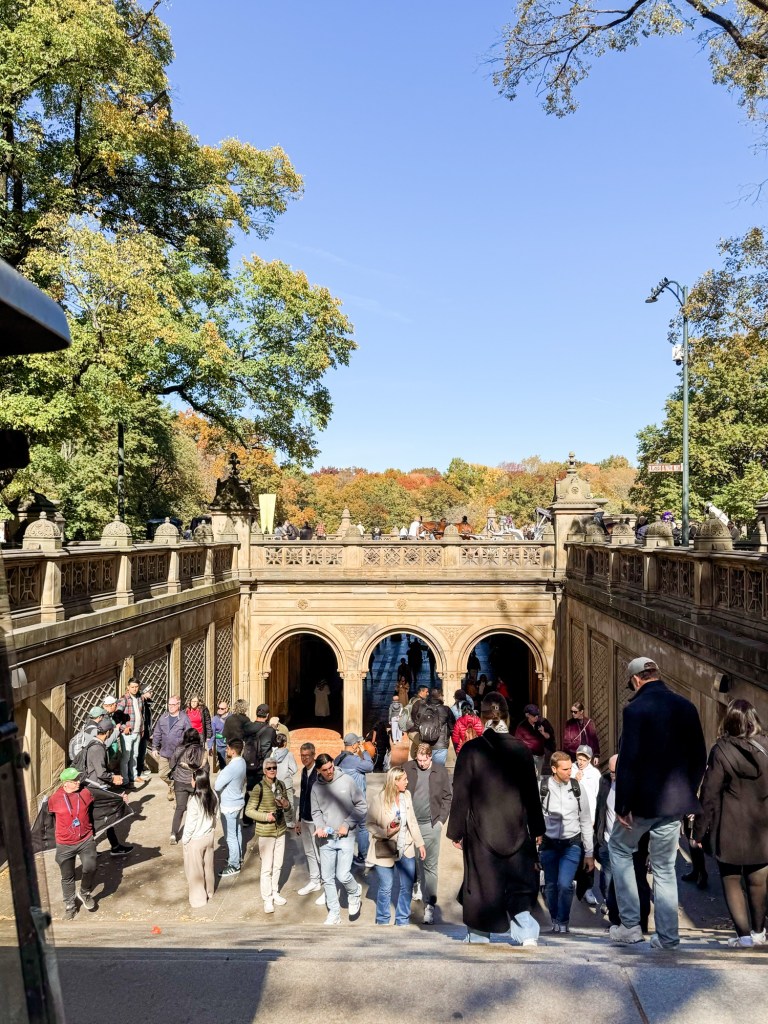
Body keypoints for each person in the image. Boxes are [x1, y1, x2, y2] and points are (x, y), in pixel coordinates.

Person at [609, 656, 706, 949]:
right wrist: (687, 792)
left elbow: (628, 760)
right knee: (664, 868)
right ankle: (667, 937)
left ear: (636, 679)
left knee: (619, 848)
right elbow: (699, 756)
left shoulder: (635, 710)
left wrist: (622, 805)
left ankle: (630, 925)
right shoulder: (686, 706)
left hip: (641, 804)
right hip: (673, 805)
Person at [447, 692, 545, 945]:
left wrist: (456, 830)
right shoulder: (521, 750)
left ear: (481, 718)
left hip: (481, 831)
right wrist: (537, 828)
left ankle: (479, 937)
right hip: (516, 829)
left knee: (483, 885)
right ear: (507, 717)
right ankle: (527, 933)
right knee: (518, 884)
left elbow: (461, 793)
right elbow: (531, 794)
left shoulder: (471, 750)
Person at [693, 698, 768, 947]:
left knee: (731, 881)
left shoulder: (721, 750)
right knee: (758, 882)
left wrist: (698, 832)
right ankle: (759, 933)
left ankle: (744, 936)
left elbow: (709, 795)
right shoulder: (766, 748)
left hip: (729, 830)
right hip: (761, 829)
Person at [540, 750, 595, 933]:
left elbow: (585, 820)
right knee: (550, 885)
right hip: (549, 844)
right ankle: (555, 918)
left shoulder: (578, 788)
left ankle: (563, 921)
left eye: (570, 768)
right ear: (554, 769)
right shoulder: (543, 788)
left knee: (565, 884)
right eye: (565, 769)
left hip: (572, 843)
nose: (569, 772)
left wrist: (589, 853)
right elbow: (534, 819)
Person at [311, 752, 366, 925]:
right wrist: (320, 826)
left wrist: (347, 824)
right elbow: (316, 812)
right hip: (326, 839)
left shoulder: (347, 781)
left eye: (331, 767)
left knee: (342, 875)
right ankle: (334, 914)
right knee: (327, 878)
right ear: (318, 770)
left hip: (346, 837)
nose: (329, 772)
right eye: (325, 770)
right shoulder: (316, 787)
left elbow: (362, 805)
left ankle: (354, 892)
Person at [367, 767, 426, 926]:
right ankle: (383, 921)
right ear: (395, 781)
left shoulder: (406, 795)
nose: (407, 782)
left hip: (406, 847)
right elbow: (369, 824)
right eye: (404, 779)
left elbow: (412, 821)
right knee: (386, 887)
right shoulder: (379, 799)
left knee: (407, 887)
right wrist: (385, 832)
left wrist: (420, 843)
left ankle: (402, 920)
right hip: (385, 847)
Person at [404, 743, 452, 924]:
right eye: (419, 760)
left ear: (431, 757)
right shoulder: (408, 767)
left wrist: (440, 821)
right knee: (412, 861)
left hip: (430, 825)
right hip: (410, 825)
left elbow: (447, 797)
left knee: (430, 866)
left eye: (425, 760)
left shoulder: (440, 772)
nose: (422, 763)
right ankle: (416, 883)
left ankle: (430, 905)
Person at [47, 767, 98, 920]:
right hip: (65, 844)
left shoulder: (86, 793)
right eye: (74, 780)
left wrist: (120, 799)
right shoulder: (54, 799)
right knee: (67, 876)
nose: (78, 782)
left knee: (91, 866)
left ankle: (84, 892)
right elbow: (48, 820)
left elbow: (102, 801)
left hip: (85, 839)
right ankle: (70, 905)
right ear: (65, 784)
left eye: (78, 779)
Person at [246, 756, 291, 913]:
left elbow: (288, 807)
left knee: (278, 864)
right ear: (264, 771)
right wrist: (266, 817)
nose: (272, 770)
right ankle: (267, 899)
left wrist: (285, 804)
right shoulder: (258, 788)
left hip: (281, 830)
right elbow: (249, 811)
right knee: (267, 867)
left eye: (274, 767)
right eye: (269, 768)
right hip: (266, 832)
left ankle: (274, 891)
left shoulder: (281, 785)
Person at [83, 717, 133, 856]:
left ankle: (112, 846)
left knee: (104, 817)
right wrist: (113, 778)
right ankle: (93, 849)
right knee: (105, 817)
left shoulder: (93, 743)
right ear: (108, 732)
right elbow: (101, 773)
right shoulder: (97, 748)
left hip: (94, 785)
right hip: (97, 787)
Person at [334, 732, 374, 867]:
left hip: (342, 801)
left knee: (346, 827)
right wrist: (364, 751)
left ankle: (344, 856)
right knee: (362, 828)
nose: (359, 745)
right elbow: (370, 766)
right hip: (357, 802)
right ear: (353, 745)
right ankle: (363, 857)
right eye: (358, 743)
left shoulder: (337, 759)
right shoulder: (355, 761)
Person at [181, 767, 218, 908]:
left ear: (196, 781)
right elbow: (216, 816)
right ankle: (209, 891)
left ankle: (198, 899)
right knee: (208, 866)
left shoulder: (194, 801)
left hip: (196, 840)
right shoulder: (214, 795)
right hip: (209, 836)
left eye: (192, 779)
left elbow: (190, 825)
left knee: (195, 871)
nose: (191, 781)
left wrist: (185, 840)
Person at [295, 743, 326, 903]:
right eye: (302, 755)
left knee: (321, 854)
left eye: (307, 755)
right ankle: (315, 880)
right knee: (309, 852)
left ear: (314, 755)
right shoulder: (303, 772)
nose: (304, 758)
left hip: (317, 820)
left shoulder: (319, 773)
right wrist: (299, 818)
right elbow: (302, 795)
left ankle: (328, 887)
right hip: (305, 818)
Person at [215, 738, 247, 876]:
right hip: (238, 802)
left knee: (230, 837)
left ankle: (234, 864)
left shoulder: (230, 768)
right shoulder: (242, 762)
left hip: (229, 805)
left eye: (227, 748)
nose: (226, 750)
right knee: (237, 831)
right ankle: (238, 857)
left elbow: (217, 786)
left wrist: (221, 774)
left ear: (233, 751)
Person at [151, 695, 192, 800]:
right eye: (169, 704)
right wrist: (154, 747)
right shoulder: (163, 718)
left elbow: (189, 735)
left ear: (178, 705)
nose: (171, 707)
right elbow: (157, 733)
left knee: (178, 774)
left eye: (173, 704)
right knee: (162, 774)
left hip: (179, 753)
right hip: (165, 752)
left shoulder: (184, 718)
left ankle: (178, 798)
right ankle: (173, 785)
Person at [169, 726, 205, 844]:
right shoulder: (201, 750)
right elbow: (204, 768)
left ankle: (173, 834)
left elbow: (171, 765)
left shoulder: (179, 749)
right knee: (198, 808)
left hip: (179, 782)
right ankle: (196, 832)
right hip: (195, 782)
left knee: (180, 808)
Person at [592, 754, 618, 908]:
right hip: (607, 839)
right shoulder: (605, 780)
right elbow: (600, 808)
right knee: (607, 875)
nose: (612, 775)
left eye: (615, 772)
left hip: (626, 842)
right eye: (610, 771)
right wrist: (598, 835)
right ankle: (608, 902)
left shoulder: (632, 784)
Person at [116, 677, 145, 786]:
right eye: (132, 687)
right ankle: (125, 780)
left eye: (136, 687)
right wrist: (124, 728)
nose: (134, 689)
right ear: (128, 687)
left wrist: (142, 729)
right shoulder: (124, 699)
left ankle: (134, 776)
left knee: (135, 755)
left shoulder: (140, 697)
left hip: (137, 732)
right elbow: (117, 716)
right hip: (127, 733)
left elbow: (141, 714)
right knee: (126, 757)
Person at [412, 688, 452, 766]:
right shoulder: (445, 709)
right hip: (441, 745)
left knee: (425, 768)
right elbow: (452, 727)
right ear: (440, 696)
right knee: (438, 769)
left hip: (425, 744)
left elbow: (416, 725)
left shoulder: (422, 708)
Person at [514, 703, 555, 775]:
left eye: (537, 714)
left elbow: (550, 737)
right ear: (527, 715)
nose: (536, 717)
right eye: (534, 715)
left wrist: (543, 733)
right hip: (528, 756)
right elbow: (517, 742)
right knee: (530, 776)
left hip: (540, 755)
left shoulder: (542, 722)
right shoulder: (522, 726)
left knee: (538, 776)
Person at [272, 733, 298, 825]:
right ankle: (289, 821)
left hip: (276, 782)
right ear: (285, 743)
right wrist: (288, 773)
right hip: (286, 782)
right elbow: (294, 769)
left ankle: (278, 820)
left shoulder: (273, 754)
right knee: (289, 802)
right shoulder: (289, 754)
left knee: (278, 801)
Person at [571, 744, 601, 814]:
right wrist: (575, 780)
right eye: (579, 759)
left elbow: (598, 794)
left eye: (584, 760)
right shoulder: (570, 769)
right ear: (576, 756)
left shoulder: (595, 773)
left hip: (589, 812)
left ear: (589, 760)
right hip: (572, 811)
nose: (581, 763)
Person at [209, 699, 229, 771]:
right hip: (220, 745)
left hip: (230, 744)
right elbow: (213, 733)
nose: (220, 710)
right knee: (222, 764)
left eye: (222, 708)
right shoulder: (215, 719)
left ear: (226, 709)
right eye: (219, 708)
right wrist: (210, 746)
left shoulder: (231, 717)